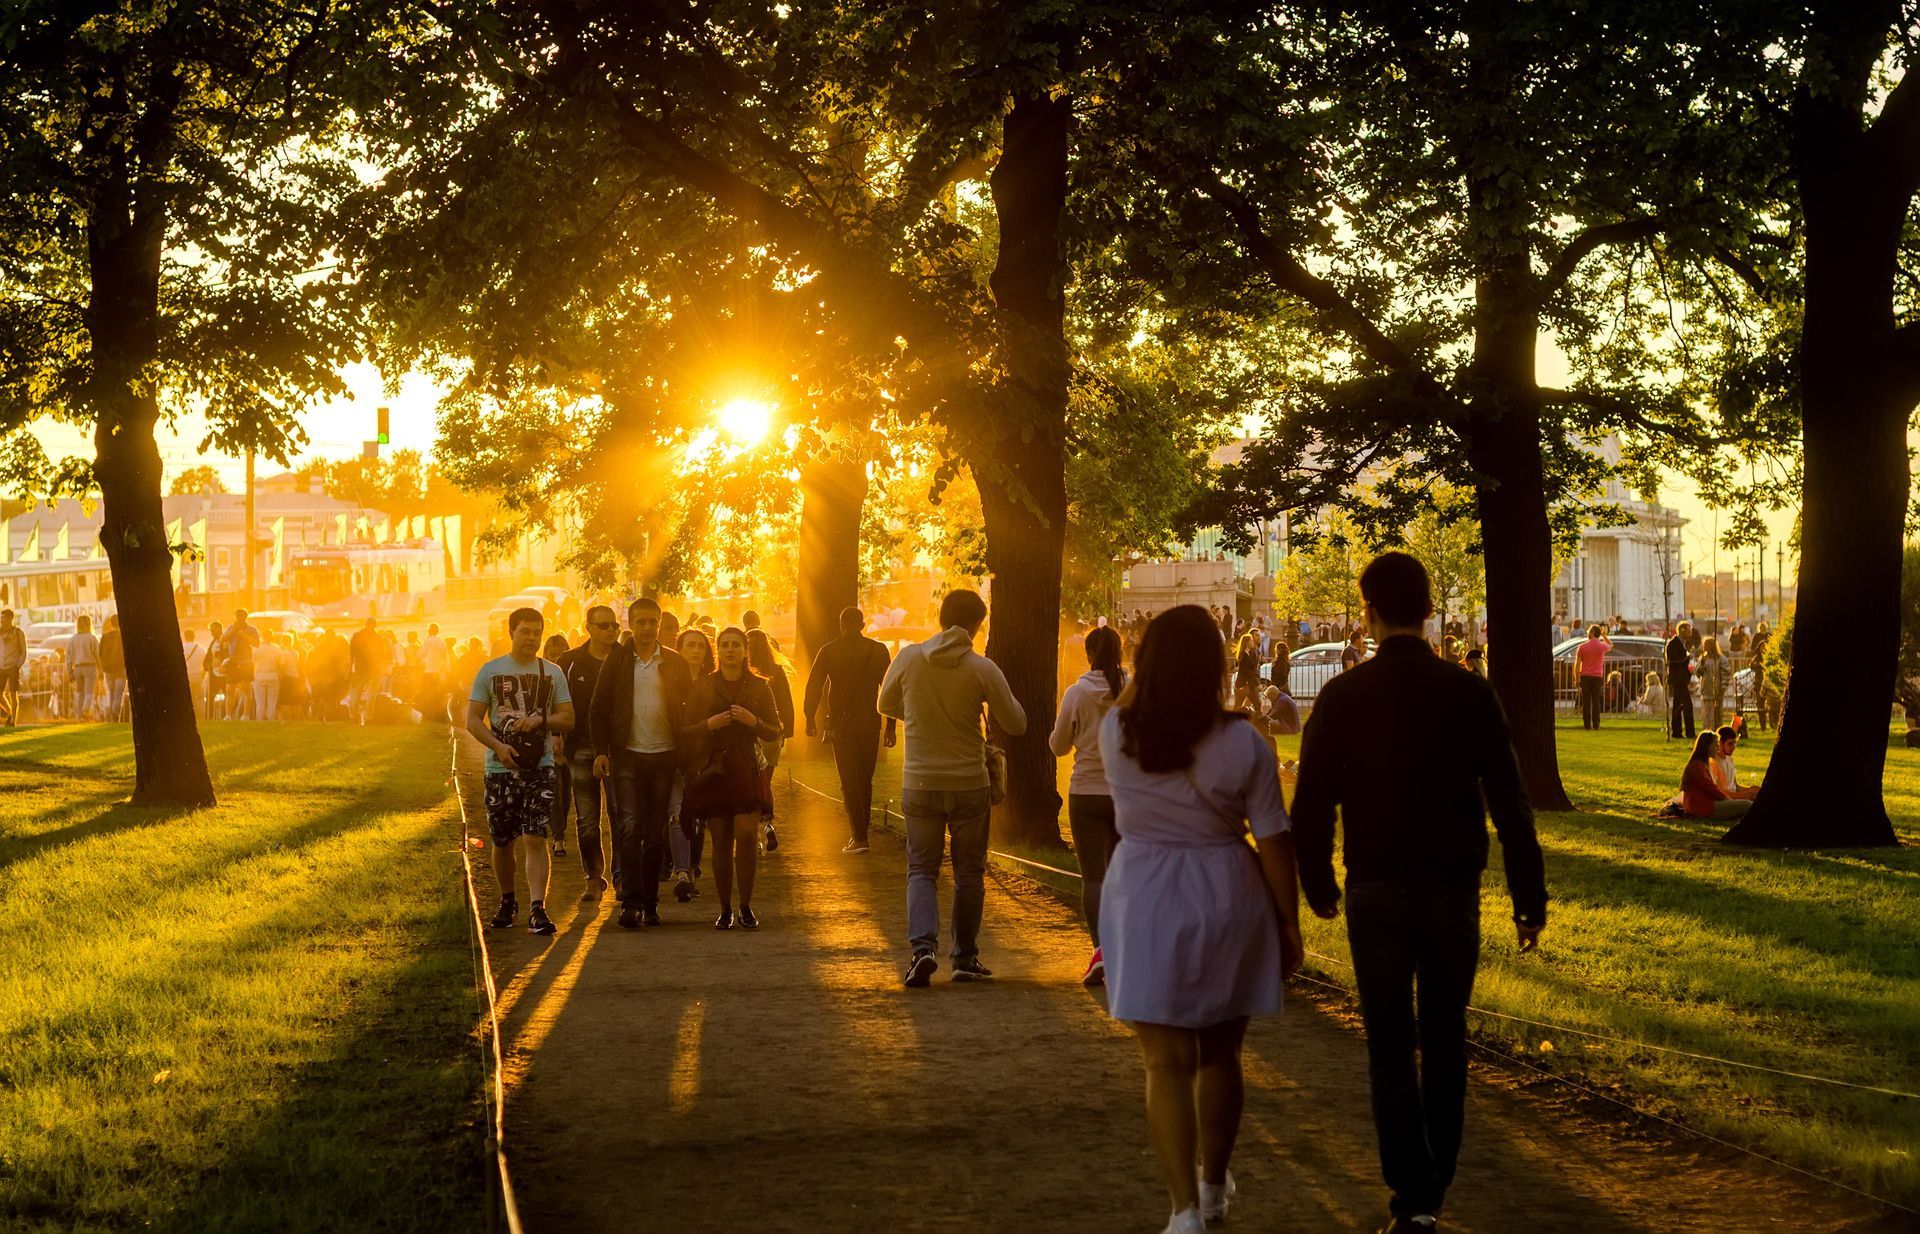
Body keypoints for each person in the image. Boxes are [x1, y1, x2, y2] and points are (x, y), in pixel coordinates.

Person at [1291, 551, 1547, 1234]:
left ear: (1368, 613)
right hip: (1449, 885)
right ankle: (1435, 1188)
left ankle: (1412, 1193)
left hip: (1375, 883)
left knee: (1386, 1043)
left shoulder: (1344, 697)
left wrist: (1316, 881)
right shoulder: (1470, 692)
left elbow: (1311, 800)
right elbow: (1510, 803)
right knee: (1442, 1035)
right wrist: (1529, 897)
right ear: (1430, 611)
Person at [1099, 605, 1302, 1234]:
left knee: (1163, 1063)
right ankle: (1214, 1185)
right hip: (1225, 890)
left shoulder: (1116, 732)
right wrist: (1289, 924)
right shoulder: (1242, 740)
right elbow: (1273, 839)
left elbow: (1135, 702)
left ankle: (1183, 1208)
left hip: (1144, 893)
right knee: (1221, 1052)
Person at [878, 588, 1027, 987]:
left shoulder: (909, 658)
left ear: (940, 618)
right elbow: (1015, 723)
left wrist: (916, 714)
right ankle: (965, 956)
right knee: (968, 874)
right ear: (977, 625)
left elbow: (884, 704)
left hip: (920, 780)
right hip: (968, 784)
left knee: (921, 869)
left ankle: (922, 949)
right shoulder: (981, 668)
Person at [466, 607, 575, 936]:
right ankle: (507, 900)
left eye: (536, 632)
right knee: (502, 841)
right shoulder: (490, 671)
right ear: (511, 632)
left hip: (538, 768)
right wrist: (498, 747)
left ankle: (537, 908)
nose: (532, 638)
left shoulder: (552, 672)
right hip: (500, 768)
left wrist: (542, 720)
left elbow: (568, 718)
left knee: (534, 836)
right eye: (525, 631)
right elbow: (472, 719)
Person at [588, 597, 694, 929]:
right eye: (642, 622)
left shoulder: (674, 662)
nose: (648, 628)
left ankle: (650, 902)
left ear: (660, 624)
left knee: (655, 832)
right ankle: (630, 902)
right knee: (629, 828)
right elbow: (598, 708)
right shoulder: (617, 660)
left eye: (653, 622)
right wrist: (601, 751)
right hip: (629, 756)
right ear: (631, 624)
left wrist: (687, 754)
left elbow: (688, 709)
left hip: (664, 756)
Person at [680, 627, 781, 930]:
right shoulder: (704, 685)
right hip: (715, 769)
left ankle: (746, 906)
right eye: (725, 645)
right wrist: (710, 724)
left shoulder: (761, 686)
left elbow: (775, 729)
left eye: (736, 645)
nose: (730, 650)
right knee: (721, 839)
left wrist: (754, 721)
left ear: (745, 650)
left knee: (748, 836)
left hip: (748, 767)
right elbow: (686, 729)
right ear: (718, 650)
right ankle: (725, 909)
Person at [1050, 624, 1127, 986]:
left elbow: (1058, 746)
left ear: (1089, 654)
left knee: (1093, 877)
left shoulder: (1076, 693)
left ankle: (1100, 952)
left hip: (1086, 791)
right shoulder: (1135, 690)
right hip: (1125, 793)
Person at [802, 606, 897, 853]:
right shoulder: (878, 650)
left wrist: (809, 716)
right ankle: (861, 833)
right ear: (863, 625)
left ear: (841, 625)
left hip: (840, 724)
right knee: (865, 780)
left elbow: (815, 685)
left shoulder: (829, 651)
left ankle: (859, 837)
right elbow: (888, 691)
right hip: (870, 723)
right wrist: (891, 726)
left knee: (849, 780)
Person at [558, 605, 620, 901]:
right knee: (586, 817)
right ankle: (594, 877)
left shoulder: (626, 659)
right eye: (604, 625)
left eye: (615, 625)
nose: (611, 630)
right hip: (580, 746)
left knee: (621, 814)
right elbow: (557, 703)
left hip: (618, 748)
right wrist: (557, 736)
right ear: (589, 628)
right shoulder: (570, 662)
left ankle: (621, 876)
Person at [669, 627, 716, 896]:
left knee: (699, 814)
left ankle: (693, 866)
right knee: (676, 812)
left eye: (701, 646)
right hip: (674, 754)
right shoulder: (671, 682)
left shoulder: (712, 684)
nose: (696, 651)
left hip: (703, 758)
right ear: (680, 649)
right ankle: (682, 871)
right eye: (690, 646)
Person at [746, 627, 795, 851]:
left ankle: (757, 829)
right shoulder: (776, 670)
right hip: (771, 735)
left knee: (750, 783)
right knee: (765, 781)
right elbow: (785, 703)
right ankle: (767, 823)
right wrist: (786, 732)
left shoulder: (744, 672)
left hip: (750, 734)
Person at [1680, 730, 1750, 819]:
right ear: (1707, 746)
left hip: (1705, 805)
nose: (1717, 749)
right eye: (1715, 745)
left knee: (1745, 804)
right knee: (1747, 805)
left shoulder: (1702, 763)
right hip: (1701, 809)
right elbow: (1711, 788)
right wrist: (1729, 800)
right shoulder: (1698, 765)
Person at [349, 617, 390, 725]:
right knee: (371, 695)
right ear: (374, 626)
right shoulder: (378, 638)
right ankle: (368, 718)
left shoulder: (356, 636)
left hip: (361, 669)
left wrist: (349, 669)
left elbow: (352, 655)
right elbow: (381, 655)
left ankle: (353, 717)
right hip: (373, 670)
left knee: (355, 694)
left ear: (365, 624)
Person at [223, 610, 258, 720]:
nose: (239, 618)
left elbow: (256, 643)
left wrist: (243, 635)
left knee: (246, 689)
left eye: (241, 616)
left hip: (246, 662)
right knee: (230, 689)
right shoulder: (231, 628)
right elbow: (223, 639)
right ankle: (228, 715)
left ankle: (246, 715)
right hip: (233, 663)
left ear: (245, 617)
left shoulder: (251, 629)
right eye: (237, 616)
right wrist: (233, 630)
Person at [66, 614, 101, 720]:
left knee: (80, 693)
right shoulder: (92, 638)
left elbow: (68, 657)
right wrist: (101, 669)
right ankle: (85, 711)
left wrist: (69, 671)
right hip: (90, 666)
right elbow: (97, 655)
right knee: (89, 692)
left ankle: (79, 714)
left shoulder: (72, 639)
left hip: (77, 668)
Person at [1575, 623, 1609, 730]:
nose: (1588, 633)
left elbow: (1577, 664)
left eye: (1589, 632)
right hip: (1597, 677)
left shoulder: (1582, 647)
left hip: (1585, 676)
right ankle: (1596, 724)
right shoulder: (1601, 646)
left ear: (1592, 633)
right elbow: (1611, 645)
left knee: (1586, 702)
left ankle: (1587, 725)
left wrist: (1576, 678)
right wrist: (1605, 636)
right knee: (1596, 701)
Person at [1713, 725, 1760, 800]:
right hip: (1725, 800)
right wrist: (1745, 796)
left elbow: (1735, 786)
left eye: (1735, 743)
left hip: (1735, 797)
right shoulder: (1714, 763)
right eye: (1730, 744)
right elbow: (1720, 793)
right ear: (1720, 743)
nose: (1733, 746)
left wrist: (1750, 790)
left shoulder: (1729, 758)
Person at [1666, 621, 1695, 739]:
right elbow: (1675, 660)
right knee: (1688, 705)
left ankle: (1676, 732)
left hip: (1682, 678)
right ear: (1682, 630)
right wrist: (1688, 656)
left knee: (1678, 705)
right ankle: (1690, 732)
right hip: (1678, 679)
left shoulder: (1682, 643)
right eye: (1688, 631)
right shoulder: (1673, 643)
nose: (1690, 633)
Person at [0, 609, 26, 727]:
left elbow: (23, 651)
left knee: (13, 694)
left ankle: (13, 720)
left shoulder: (18, 632)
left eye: (4, 617)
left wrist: (18, 665)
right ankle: (10, 713)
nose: (1, 620)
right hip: (1, 666)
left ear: (10, 618)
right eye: (1, 617)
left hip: (13, 666)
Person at [420, 622, 450, 721]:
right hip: (437, 672)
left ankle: (428, 715)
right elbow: (445, 658)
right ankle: (437, 715)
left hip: (427, 671)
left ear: (429, 631)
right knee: (436, 695)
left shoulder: (427, 641)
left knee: (427, 694)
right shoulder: (441, 642)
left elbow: (420, 655)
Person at [100, 615, 127, 722]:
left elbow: (100, 652)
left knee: (111, 694)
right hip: (120, 668)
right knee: (118, 694)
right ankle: (115, 715)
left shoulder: (105, 636)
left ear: (111, 623)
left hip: (108, 669)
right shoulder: (123, 636)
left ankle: (110, 715)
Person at [180, 627, 206, 719]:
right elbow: (204, 664)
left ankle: (187, 716)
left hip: (186, 676)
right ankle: (201, 716)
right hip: (198, 675)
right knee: (199, 697)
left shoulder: (181, 648)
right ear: (194, 636)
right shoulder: (201, 649)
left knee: (186, 697)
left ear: (184, 637)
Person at [1232, 633, 1262, 711]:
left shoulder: (1249, 653)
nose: (1252, 642)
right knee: (1239, 706)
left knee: (1257, 704)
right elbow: (1246, 671)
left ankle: (1257, 720)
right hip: (1244, 685)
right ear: (1246, 642)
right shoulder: (1243, 655)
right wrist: (1255, 675)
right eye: (1251, 640)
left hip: (1248, 685)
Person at [205, 620, 226, 719]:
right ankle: (209, 718)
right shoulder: (213, 642)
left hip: (225, 674)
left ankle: (226, 716)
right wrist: (206, 666)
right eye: (211, 631)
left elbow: (229, 654)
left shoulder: (226, 640)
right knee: (211, 697)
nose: (212, 633)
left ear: (220, 629)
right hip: (213, 673)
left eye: (213, 630)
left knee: (227, 696)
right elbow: (209, 655)